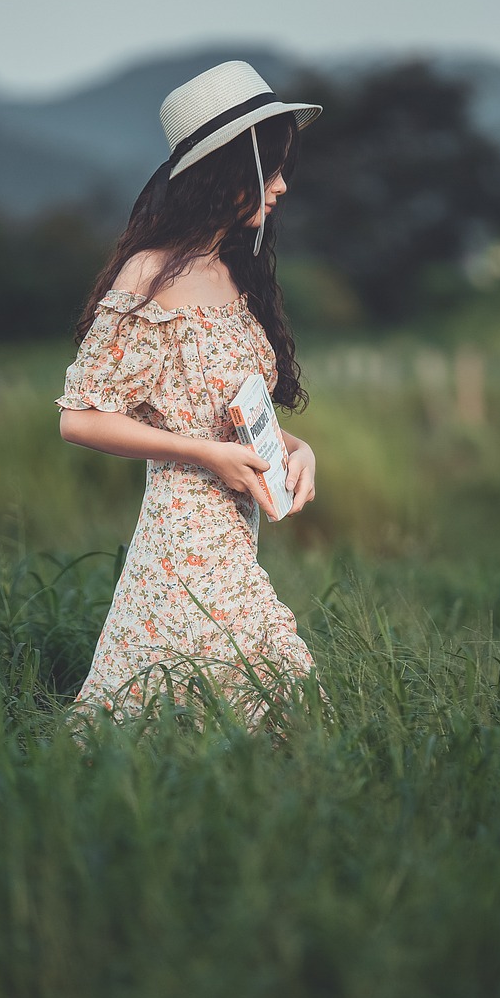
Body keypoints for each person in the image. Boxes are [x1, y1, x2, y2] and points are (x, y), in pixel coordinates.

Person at [55, 60, 322, 727]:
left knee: (215, 706)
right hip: (182, 530)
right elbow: (82, 419)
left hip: (234, 529)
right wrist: (206, 456)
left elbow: (231, 411)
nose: (284, 186)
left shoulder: (232, 270)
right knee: (254, 694)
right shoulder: (149, 273)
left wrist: (297, 448)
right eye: (272, 171)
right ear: (226, 173)